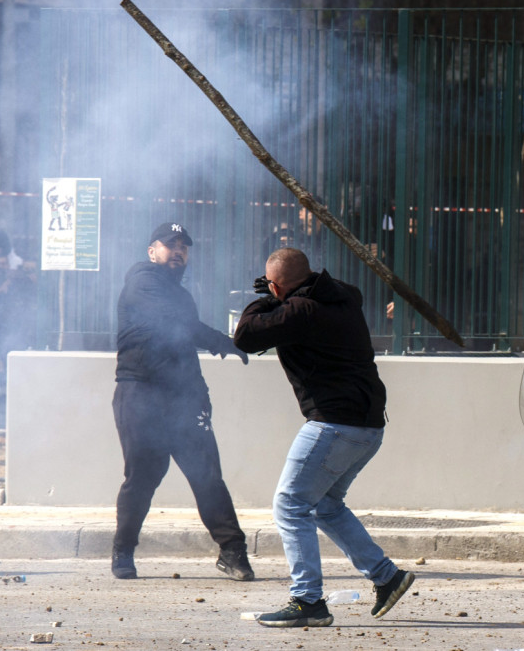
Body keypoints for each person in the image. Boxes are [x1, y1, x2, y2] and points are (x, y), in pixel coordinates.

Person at [233, 247, 414, 627]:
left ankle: (307, 600)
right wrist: (278, 292)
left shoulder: (302, 311)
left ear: (278, 284)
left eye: (272, 286)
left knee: (290, 505)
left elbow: (245, 335)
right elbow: (322, 294)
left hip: (333, 424)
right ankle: (387, 577)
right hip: (368, 426)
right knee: (324, 505)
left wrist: (266, 298)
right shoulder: (343, 295)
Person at [111, 221, 254, 582]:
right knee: (142, 476)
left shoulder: (182, 293)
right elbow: (178, 325)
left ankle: (233, 552)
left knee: (207, 475)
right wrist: (225, 341)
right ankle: (123, 550)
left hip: (185, 395)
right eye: (170, 244)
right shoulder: (141, 281)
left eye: (183, 247)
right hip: (141, 392)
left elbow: (185, 330)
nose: (178, 251)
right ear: (151, 250)